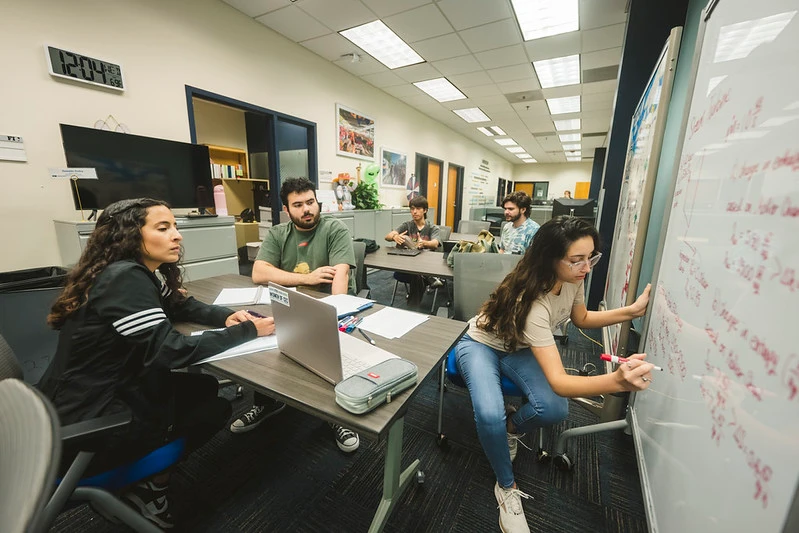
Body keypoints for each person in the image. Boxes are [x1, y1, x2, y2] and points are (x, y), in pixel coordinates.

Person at [39, 198, 275, 529]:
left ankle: (145, 479)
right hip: (91, 420)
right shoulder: (126, 278)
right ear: (129, 235)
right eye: (163, 228)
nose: (177, 235)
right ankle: (149, 491)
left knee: (204, 386)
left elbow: (181, 306)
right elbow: (170, 351)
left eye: (175, 227)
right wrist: (250, 330)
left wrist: (228, 316)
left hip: (78, 398)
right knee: (215, 410)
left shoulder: (132, 271)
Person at [454, 216, 655, 533]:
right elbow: (561, 382)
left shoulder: (575, 278)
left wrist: (631, 311)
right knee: (489, 413)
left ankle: (510, 427)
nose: (586, 267)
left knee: (554, 409)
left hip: (518, 347)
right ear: (550, 259)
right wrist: (617, 381)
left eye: (591, 258)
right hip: (481, 344)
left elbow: (582, 317)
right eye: (577, 260)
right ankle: (506, 487)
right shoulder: (533, 303)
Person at [230, 177, 361, 453]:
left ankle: (337, 414)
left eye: (310, 202)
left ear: (317, 202)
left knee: (329, 351)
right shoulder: (279, 234)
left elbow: (341, 274)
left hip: (327, 307)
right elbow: (258, 273)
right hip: (288, 306)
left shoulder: (335, 229)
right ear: (287, 210)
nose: (307, 210)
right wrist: (309, 277)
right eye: (298, 205)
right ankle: (266, 403)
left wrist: (334, 312)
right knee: (265, 344)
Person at [384, 195, 443, 298]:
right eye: (412, 209)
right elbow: (387, 236)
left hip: (426, 265)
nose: (414, 212)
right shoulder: (407, 225)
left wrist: (424, 243)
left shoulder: (433, 228)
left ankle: (413, 305)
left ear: (425, 210)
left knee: (416, 273)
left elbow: (435, 243)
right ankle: (429, 278)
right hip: (408, 265)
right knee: (405, 238)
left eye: (418, 208)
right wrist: (395, 237)